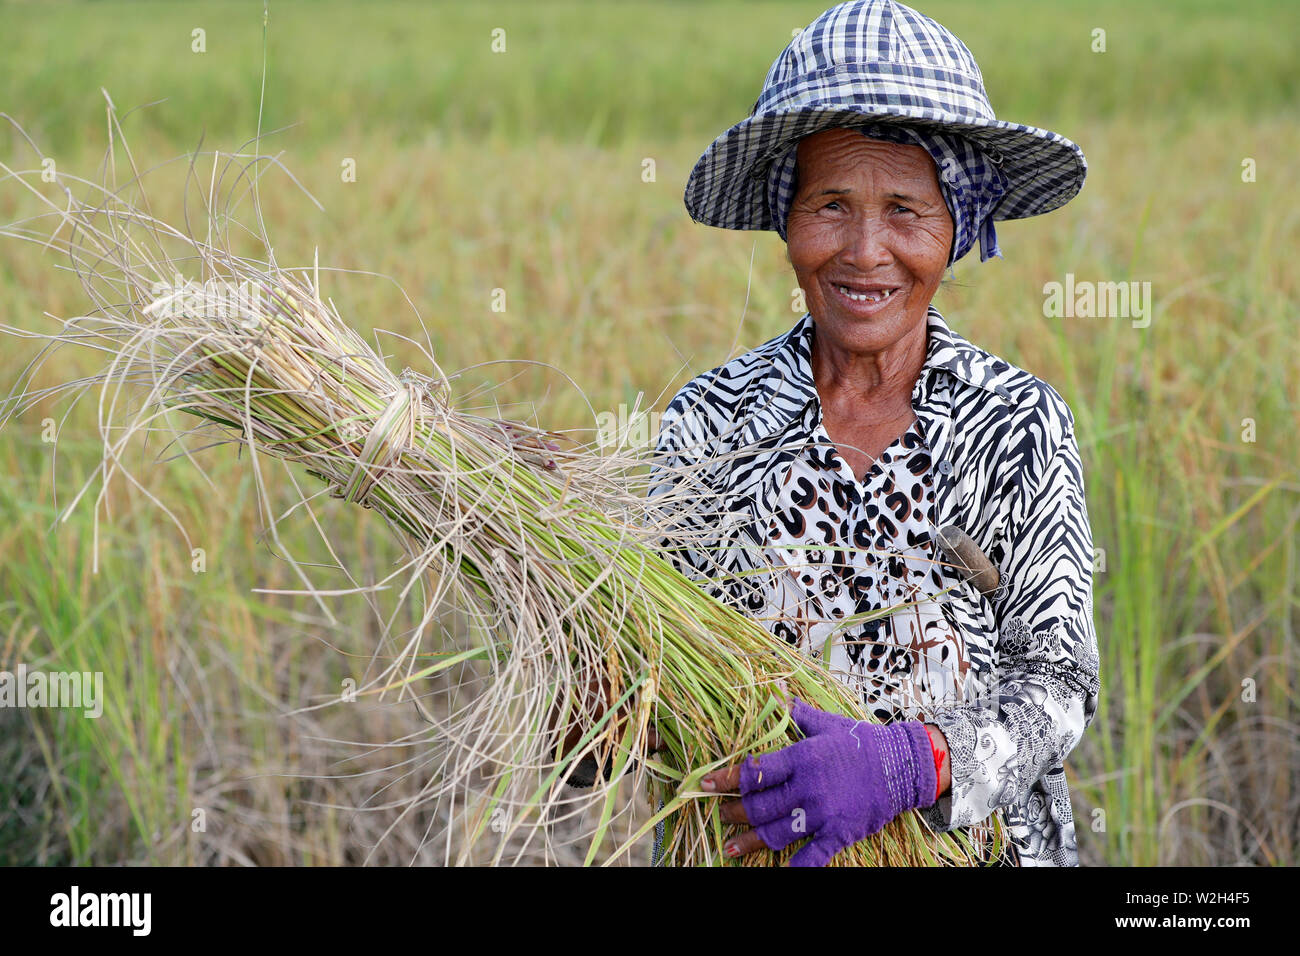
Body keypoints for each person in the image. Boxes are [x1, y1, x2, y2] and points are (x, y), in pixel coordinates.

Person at [648, 0, 1101, 867]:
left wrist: (906, 765)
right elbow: (664, 670)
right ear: (786, 222)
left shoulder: (1015, 425)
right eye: (830, 204)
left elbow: (1060, 690)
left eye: (905, 210)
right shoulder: (710, 422)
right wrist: (602, 698)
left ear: (957, 228)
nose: (864, 251)